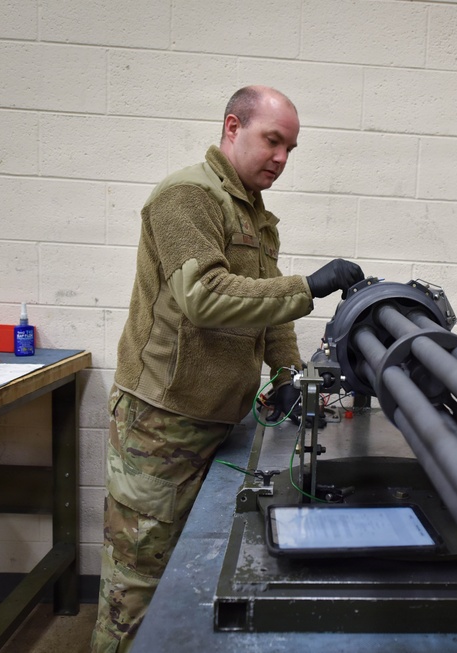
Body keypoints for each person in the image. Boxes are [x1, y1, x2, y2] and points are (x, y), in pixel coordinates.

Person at [91, 86, 364, 652]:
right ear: (233, 127)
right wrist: (310, 286)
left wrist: (288, 376)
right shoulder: (187, 197)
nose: (281, 158)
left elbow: (269, 311)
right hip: (161, 426)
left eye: (290, 149)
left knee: (188, 572)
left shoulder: (255, 215)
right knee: (137, 586)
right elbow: (204, 296)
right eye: (272, 141)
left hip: (216, 420)